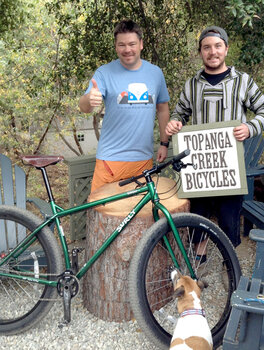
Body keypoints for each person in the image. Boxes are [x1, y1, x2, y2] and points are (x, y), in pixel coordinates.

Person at [165, 25, 264, 250]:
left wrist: (250, 128)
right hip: (199, 169)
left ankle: (230, 268)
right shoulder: (192, 85)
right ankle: (198, 265)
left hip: (230, 168)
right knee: (198, 219)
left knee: (229, 221)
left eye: (218, 46)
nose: (213, 52)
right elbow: (178, 113)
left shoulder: (243, 81)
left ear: (226, 49)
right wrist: (174, 123)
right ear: (200, 52)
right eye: (206, 47)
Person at [79, 20, 170, 192]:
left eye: (132, 44)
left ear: (141, 44)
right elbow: (84, 106)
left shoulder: (155, 73)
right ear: (115, 47)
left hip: (143, 160)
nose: (127, 49)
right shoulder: (104, 73)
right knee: (102, 214)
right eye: (121, 45)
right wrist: (89, 99)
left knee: (142, 216)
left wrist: (164, 143)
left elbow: (163, 108)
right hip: (110, 161)